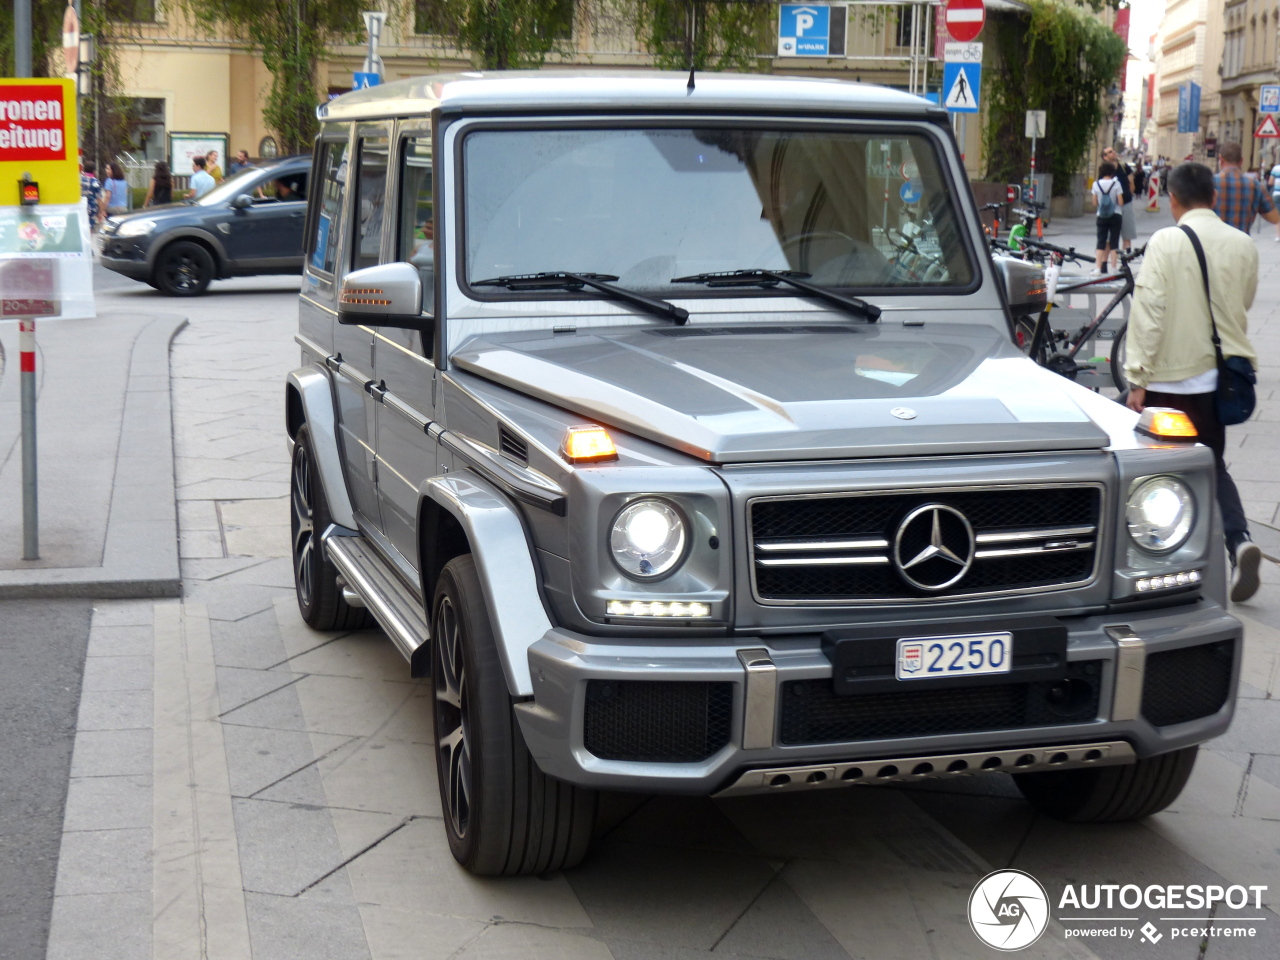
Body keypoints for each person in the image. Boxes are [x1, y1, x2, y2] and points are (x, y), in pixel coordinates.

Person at [1124, 161, 1262, 602]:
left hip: (1168, 379)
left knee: (1159, 474)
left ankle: (1169, 559)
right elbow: (1242, 303)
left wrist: (1137, 378)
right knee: (1212, 462)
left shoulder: (1166, 241)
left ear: (1173, 199)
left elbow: (1148, 313)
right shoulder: (1243, 244)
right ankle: (1238, 541)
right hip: (1216, 382)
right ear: (1214, 198)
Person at [1213, 140, 1279, 234]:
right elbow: (1274, 218)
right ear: (1241, 161)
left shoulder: (1209, 183)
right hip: (1241, 244)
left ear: (1221, 159)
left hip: (1212, 244)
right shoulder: (1255, 186)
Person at [1090, 160, 1124, 274]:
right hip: (1116, 215)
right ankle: (1114, 269)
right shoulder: (1116, 184)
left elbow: (1094, 203)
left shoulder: (1096, 184)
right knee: (1114, 242)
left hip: (1102, 216)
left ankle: (1098, 268)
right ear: (1112, 172)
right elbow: (1121, 201)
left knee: (1100, 242)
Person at [1105, 146, 1137, 253]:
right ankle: (1107, 260)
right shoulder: (1105, 169)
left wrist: (1128, 195)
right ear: (1105, 157)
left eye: (1113, 150)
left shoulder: (1124, 166)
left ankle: (1126, 258)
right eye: (1110, 152)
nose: (1113, 152)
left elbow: (1131, 183)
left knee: (1127, 234)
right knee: (1110, 236)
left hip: (1126, 203)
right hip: (1111, 206)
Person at [80, 160, 106, 231]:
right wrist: (101, 212)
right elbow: (99, 199)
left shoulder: (79, 180)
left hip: (80, 207)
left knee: (81, 228)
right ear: (94, 170)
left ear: (84, 169)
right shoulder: (96, 182)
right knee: (90, 228)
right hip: (92, 208)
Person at [1268, 156, 1280, 241]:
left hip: (1276, 194)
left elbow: (1270, 182)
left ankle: (1278, 236)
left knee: (1278, 215)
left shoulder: (1276, 168)